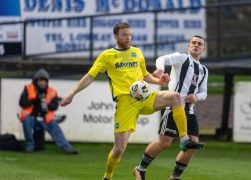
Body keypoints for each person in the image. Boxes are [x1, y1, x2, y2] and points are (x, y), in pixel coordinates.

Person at [60, 22, 202, 180]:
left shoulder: (137, 52)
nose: (128, 38)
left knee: (175, 96)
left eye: (130, 35)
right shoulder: (107, 56)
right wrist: (72, 93)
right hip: (125, 104)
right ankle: (107, 176)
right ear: (115, 36)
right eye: (124, 35)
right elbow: (89, 76)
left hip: (145, 98)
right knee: (119, 149)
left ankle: (184, 138)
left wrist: (159, 80)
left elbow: (145, 76)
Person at [133, 35, 208, 180]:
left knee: (192, 145)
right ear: (188, 46)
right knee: (165, 142)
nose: (196, 45)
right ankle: (140, 169)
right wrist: (160, 70)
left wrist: (197, 97)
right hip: (173, 106)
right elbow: (162, 59)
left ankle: (174, 177)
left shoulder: (204, 70)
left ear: (203, 49)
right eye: (193, 43)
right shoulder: (182, 58)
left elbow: (204, 91)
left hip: (190, 111)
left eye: (199, 44)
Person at [18, 68, 78, 154]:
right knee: (26, 121)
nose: (42, 82)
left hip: (45, 118)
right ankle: (29, 146)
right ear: (36, 80)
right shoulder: (28, 88)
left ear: (47, 81)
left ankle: (66, 147)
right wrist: (34, 101)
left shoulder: (52, 91)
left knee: (55, 127)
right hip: (31, 116)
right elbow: (22, 102)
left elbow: (55, 106)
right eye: (40, 80)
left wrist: (46, 105)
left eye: (44, 80)